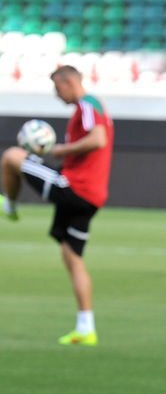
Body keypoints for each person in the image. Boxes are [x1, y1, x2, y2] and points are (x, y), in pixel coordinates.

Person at [1, 65, 114, 346]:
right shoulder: (93, 107)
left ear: (68, 81)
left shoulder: (87, 104)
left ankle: (9, 205)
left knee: (12, 156)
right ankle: (86, 328)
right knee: (72, 257)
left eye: (56, 87)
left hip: (73, 187)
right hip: (91, 198)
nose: (56, 93)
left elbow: (98, 139)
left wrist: (60, 149)